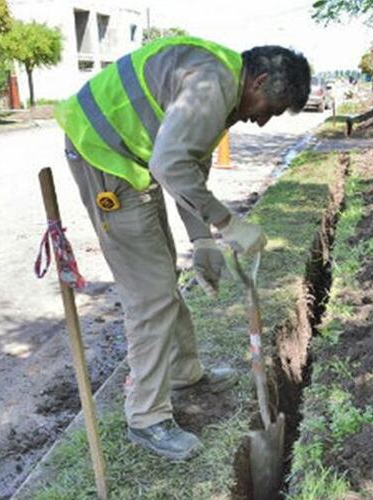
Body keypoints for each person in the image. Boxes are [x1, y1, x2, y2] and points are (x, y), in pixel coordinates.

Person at [54, 36, 310, 461]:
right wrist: (228, 223)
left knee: (163, 275)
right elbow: (170, 164)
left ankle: (185, 375)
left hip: (133, 162)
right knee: (150, 294)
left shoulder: (224, 91)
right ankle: (146, 418)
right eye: (270, 109)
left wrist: (202, 237)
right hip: (104, 158)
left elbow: (187, 171)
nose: (263, 122)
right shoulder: (213, 86)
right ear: (259, 81)